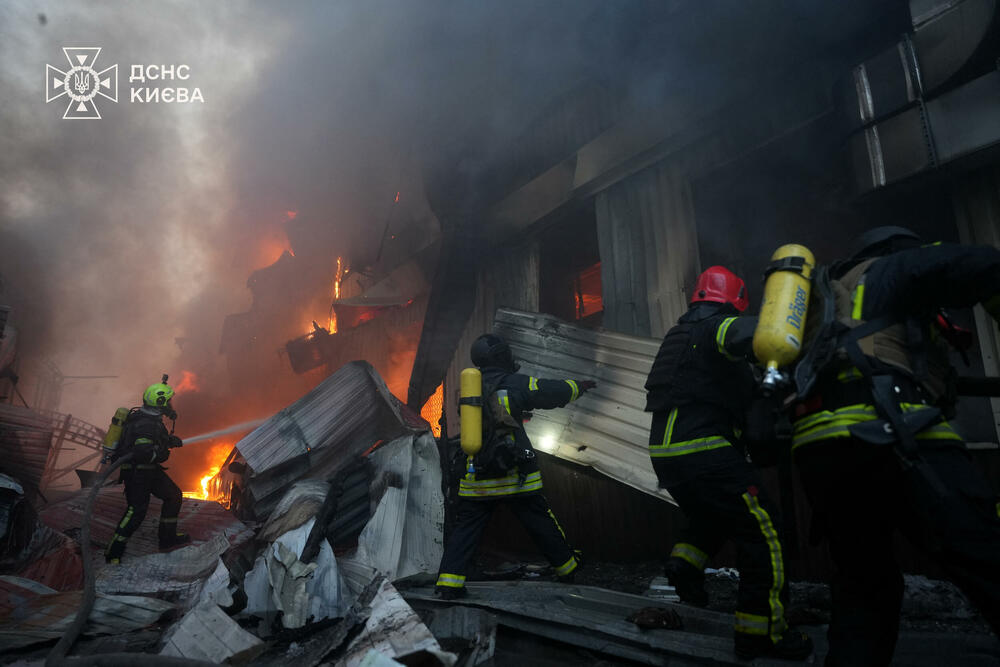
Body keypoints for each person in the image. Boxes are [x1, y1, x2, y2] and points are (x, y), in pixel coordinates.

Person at [790, 226, 1000, 666]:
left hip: (821, 451)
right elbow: (981, 264)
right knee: (986, 553)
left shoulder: (825, 296)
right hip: (892, 430)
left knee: (865, 588)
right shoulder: (893, 267)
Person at [644, 265, 812, 661]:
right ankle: (761, 633)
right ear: (734, 300)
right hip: (705, 451)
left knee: (713, 518)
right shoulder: (716, 326)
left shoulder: (679, 335)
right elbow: (740, 334)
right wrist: (783, 331)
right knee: (764, 532)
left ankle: (684, 566)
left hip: (668, 457)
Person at [435, 333, 596, 599]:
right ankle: (567, 568)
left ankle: (448, 584)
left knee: (465, 530)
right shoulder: (515, 383)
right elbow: (550, 391)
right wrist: (579, 385)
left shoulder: (470, 388)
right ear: (501, 356)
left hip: (477, 475)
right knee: (540, 521)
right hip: (514, 473)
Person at [105, 379, 189, 564]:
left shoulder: (148, 419)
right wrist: (163, 453)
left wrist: (168, 441)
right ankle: (114, 552)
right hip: (138, 473)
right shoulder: (146, 424)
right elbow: (143, 452)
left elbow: (149, 443)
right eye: (168, 401)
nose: (170, 405)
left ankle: (167, 539)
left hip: (149, 471)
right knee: (136, 512)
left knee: (173, 495)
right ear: (160, 402)